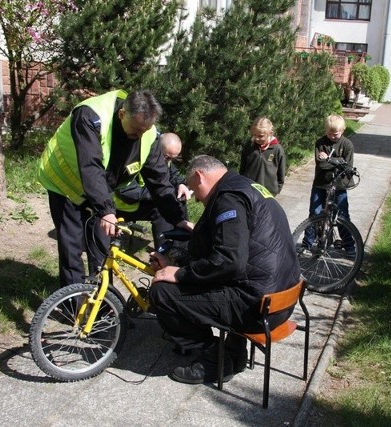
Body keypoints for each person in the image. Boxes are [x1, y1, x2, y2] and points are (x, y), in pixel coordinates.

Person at [148, 155, 301, 384]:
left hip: (256, 308)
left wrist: (178, 274)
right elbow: (230, 253)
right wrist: (178, 265)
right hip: (282, 295)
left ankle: (214, 359)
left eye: (193, 190)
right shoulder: (246, 186)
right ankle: (234, 351)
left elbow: (229, 261)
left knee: (161, 293)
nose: (197, 200)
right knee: (200, 281)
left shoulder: (227, 199)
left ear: (200, 176)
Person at [38, 89, 191, 287]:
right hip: (66, 185)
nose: (139, 136)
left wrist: (178, 218)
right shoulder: (90, 116)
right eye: (136, 130)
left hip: (99, 189)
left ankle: (103, 304)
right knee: (72, 244)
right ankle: (71, 304)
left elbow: (159, 181)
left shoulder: (148, 134)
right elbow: (91, 167)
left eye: (144, 131)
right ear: (122, 114)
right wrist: (106, 211)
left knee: (101, 247)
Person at [114, 132, 192, 248]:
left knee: (178, 203)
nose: (168, 161)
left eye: (173, 159)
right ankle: (162, 255)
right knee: (160, 208)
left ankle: (182, 248)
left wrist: (181, 185)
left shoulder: (165, 159)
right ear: (157, 149)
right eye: (167, 157)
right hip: (123, 206)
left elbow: (174, 175)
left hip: (139, 202)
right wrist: (160, 196)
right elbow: (128, 193)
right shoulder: (137, 157)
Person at [300, 114, 355, 255]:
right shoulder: (320, 143)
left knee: (342, 215)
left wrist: (329, 158)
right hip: (321, 183)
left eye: (335, 134)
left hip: (340, 184)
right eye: (329, 133)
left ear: (343, 130)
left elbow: (347, 167)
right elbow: (322, 165)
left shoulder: (347, 144)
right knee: (315, 212)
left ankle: (349, 245)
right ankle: (307, 243)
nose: (332, 136)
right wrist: (337, 161)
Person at [239, 117, 286, 196]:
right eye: (254, 135)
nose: (257, 138)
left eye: (260, 136)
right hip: (250, 189)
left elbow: (281, 172)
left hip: (268, 192)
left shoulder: (277, 149)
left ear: (270, 133)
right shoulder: (249, 146)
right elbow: (243, 167)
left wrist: (277, 189)